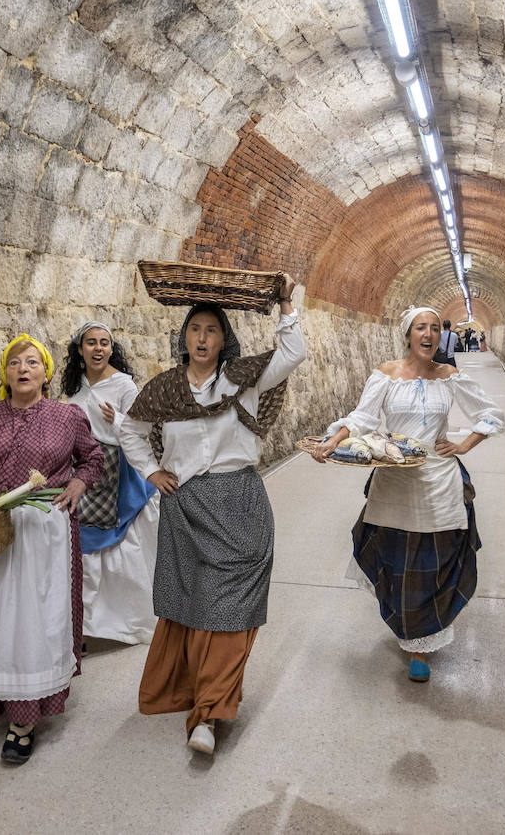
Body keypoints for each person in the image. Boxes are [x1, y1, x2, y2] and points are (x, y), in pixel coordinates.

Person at [118, 275, 304, 757]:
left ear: (225, 340)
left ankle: (209, 715)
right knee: (195, 606)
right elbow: (130, 430)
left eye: (211, 330)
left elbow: (291, 355)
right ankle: (198, 698)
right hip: (185, 506)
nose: (201, 338)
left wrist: (286, 306)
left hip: (239, 502)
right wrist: (153, 472)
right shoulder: (164, 389)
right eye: (194, 329)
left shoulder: (242, 379)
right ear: (184, 338)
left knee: (230, 609)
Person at [312, 306, 504, 683]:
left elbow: (491, 413)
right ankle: (408, 628)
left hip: (439, 480)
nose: (429, 335)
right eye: (421, 328)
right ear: (408, 334)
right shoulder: (385, 374)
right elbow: (362, 419)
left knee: (434, 563)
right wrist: (333, 440)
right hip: (395, 480)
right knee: (396, 562)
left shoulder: (449, 376)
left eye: (434, 328)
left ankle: (420, 646)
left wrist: (464, 445)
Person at [0, 334, 103, 765]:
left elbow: (93, 459)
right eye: (15, 362)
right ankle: (2, 700)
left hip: (44, 533)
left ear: (46, 372)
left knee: (33, 623)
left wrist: (77, 483)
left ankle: (24, 720)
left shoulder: (66, 416)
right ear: (5, 372)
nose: (23, 368)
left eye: (33, 362)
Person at [61, 321, 159, 646]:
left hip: (117, 472)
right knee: (83, 544)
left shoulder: (124, 386)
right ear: (80, 349)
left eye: (104, 343)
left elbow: (143, 430)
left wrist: (116, 419)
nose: (99, 348)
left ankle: (123, 623)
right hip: (84, 470)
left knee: (115, 545)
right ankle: (83, 628)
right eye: (91, 343)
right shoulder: (75, 389)